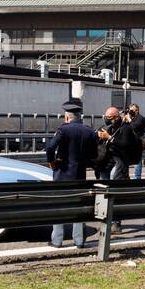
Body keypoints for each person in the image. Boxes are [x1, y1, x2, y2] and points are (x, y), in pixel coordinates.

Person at [46, 101, 93, 248]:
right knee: (78, 208)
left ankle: (57, 240)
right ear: (79, 116)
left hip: (62, 175)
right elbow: (94, 153)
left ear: (67, 117)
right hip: (79, 175)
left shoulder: (63, 130)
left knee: (59, 206)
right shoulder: (88, 131)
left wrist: (51, 161)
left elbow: (50, 146)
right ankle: (79, 241)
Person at [127, 104, 145, 179]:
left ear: (137, 110)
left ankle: (137, 177)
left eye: (132, 110)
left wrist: (129, 120)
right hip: (129, 141)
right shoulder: (131, 117)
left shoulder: (140, 118)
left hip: (138, 142)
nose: (130, 111)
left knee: (137, 160)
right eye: (129, 110)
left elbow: (134, 127)